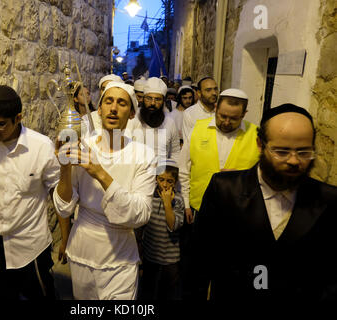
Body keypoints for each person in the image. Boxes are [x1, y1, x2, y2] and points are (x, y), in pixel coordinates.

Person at [191, 104, 337, 302]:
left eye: (303, 152)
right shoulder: (225, 190)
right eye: (282, 151)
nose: (294, 161)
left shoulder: (327, 199)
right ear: (260, 144)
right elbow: (199, 263)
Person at [0, 85, 70, 300]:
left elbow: (59, 197)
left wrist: (65, 238)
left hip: (31, 245)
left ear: (18, 118)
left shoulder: (41, 147)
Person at [52, 81, 157, 300]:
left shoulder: (143, 155)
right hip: (83, 250)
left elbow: (140, 214)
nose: (113, 108)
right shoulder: (83, 146)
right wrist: (64, 168)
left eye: (121, 103)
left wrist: (99, 172)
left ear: (131, 114)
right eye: (108, 101)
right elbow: (64, 207)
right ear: (99, 110)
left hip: (120, 255)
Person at [178, 88, 259, 299]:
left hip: (238, 217)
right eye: (222, 116)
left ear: (244, 114)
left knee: (229, 275)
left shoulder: (256, 135)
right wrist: (186, 203)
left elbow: (263, 177)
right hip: (199, 212)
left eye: (233, 118)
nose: (226, 122)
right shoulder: (198, 129)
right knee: (196, 270)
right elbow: (184, 170)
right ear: (215, 109)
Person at [140, 159, 185, 300]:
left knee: (167, 294)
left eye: (169, 181)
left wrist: (167, 204)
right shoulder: (148, 196)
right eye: (161, 179)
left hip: (170, 259)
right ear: (156, 179)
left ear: (175, 182)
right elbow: (142, 223)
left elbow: (173, 226)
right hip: (150, 254)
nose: (164, 185)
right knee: (147, 290)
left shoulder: (178, 200)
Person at [132, 77, 181, 164]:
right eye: (149, 98)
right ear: (143, 99)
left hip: (161, 173)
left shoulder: (170, 122)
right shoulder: (133, 118)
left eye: (157, 99)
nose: (152, 103)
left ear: (163, 101)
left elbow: (175, 152)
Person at [181, 77, 218, 143]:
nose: (214, 93)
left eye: (215, 89)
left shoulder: (221, 111)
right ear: (199, 93)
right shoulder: (190, 113)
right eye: (208, 90)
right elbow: (189, 142)